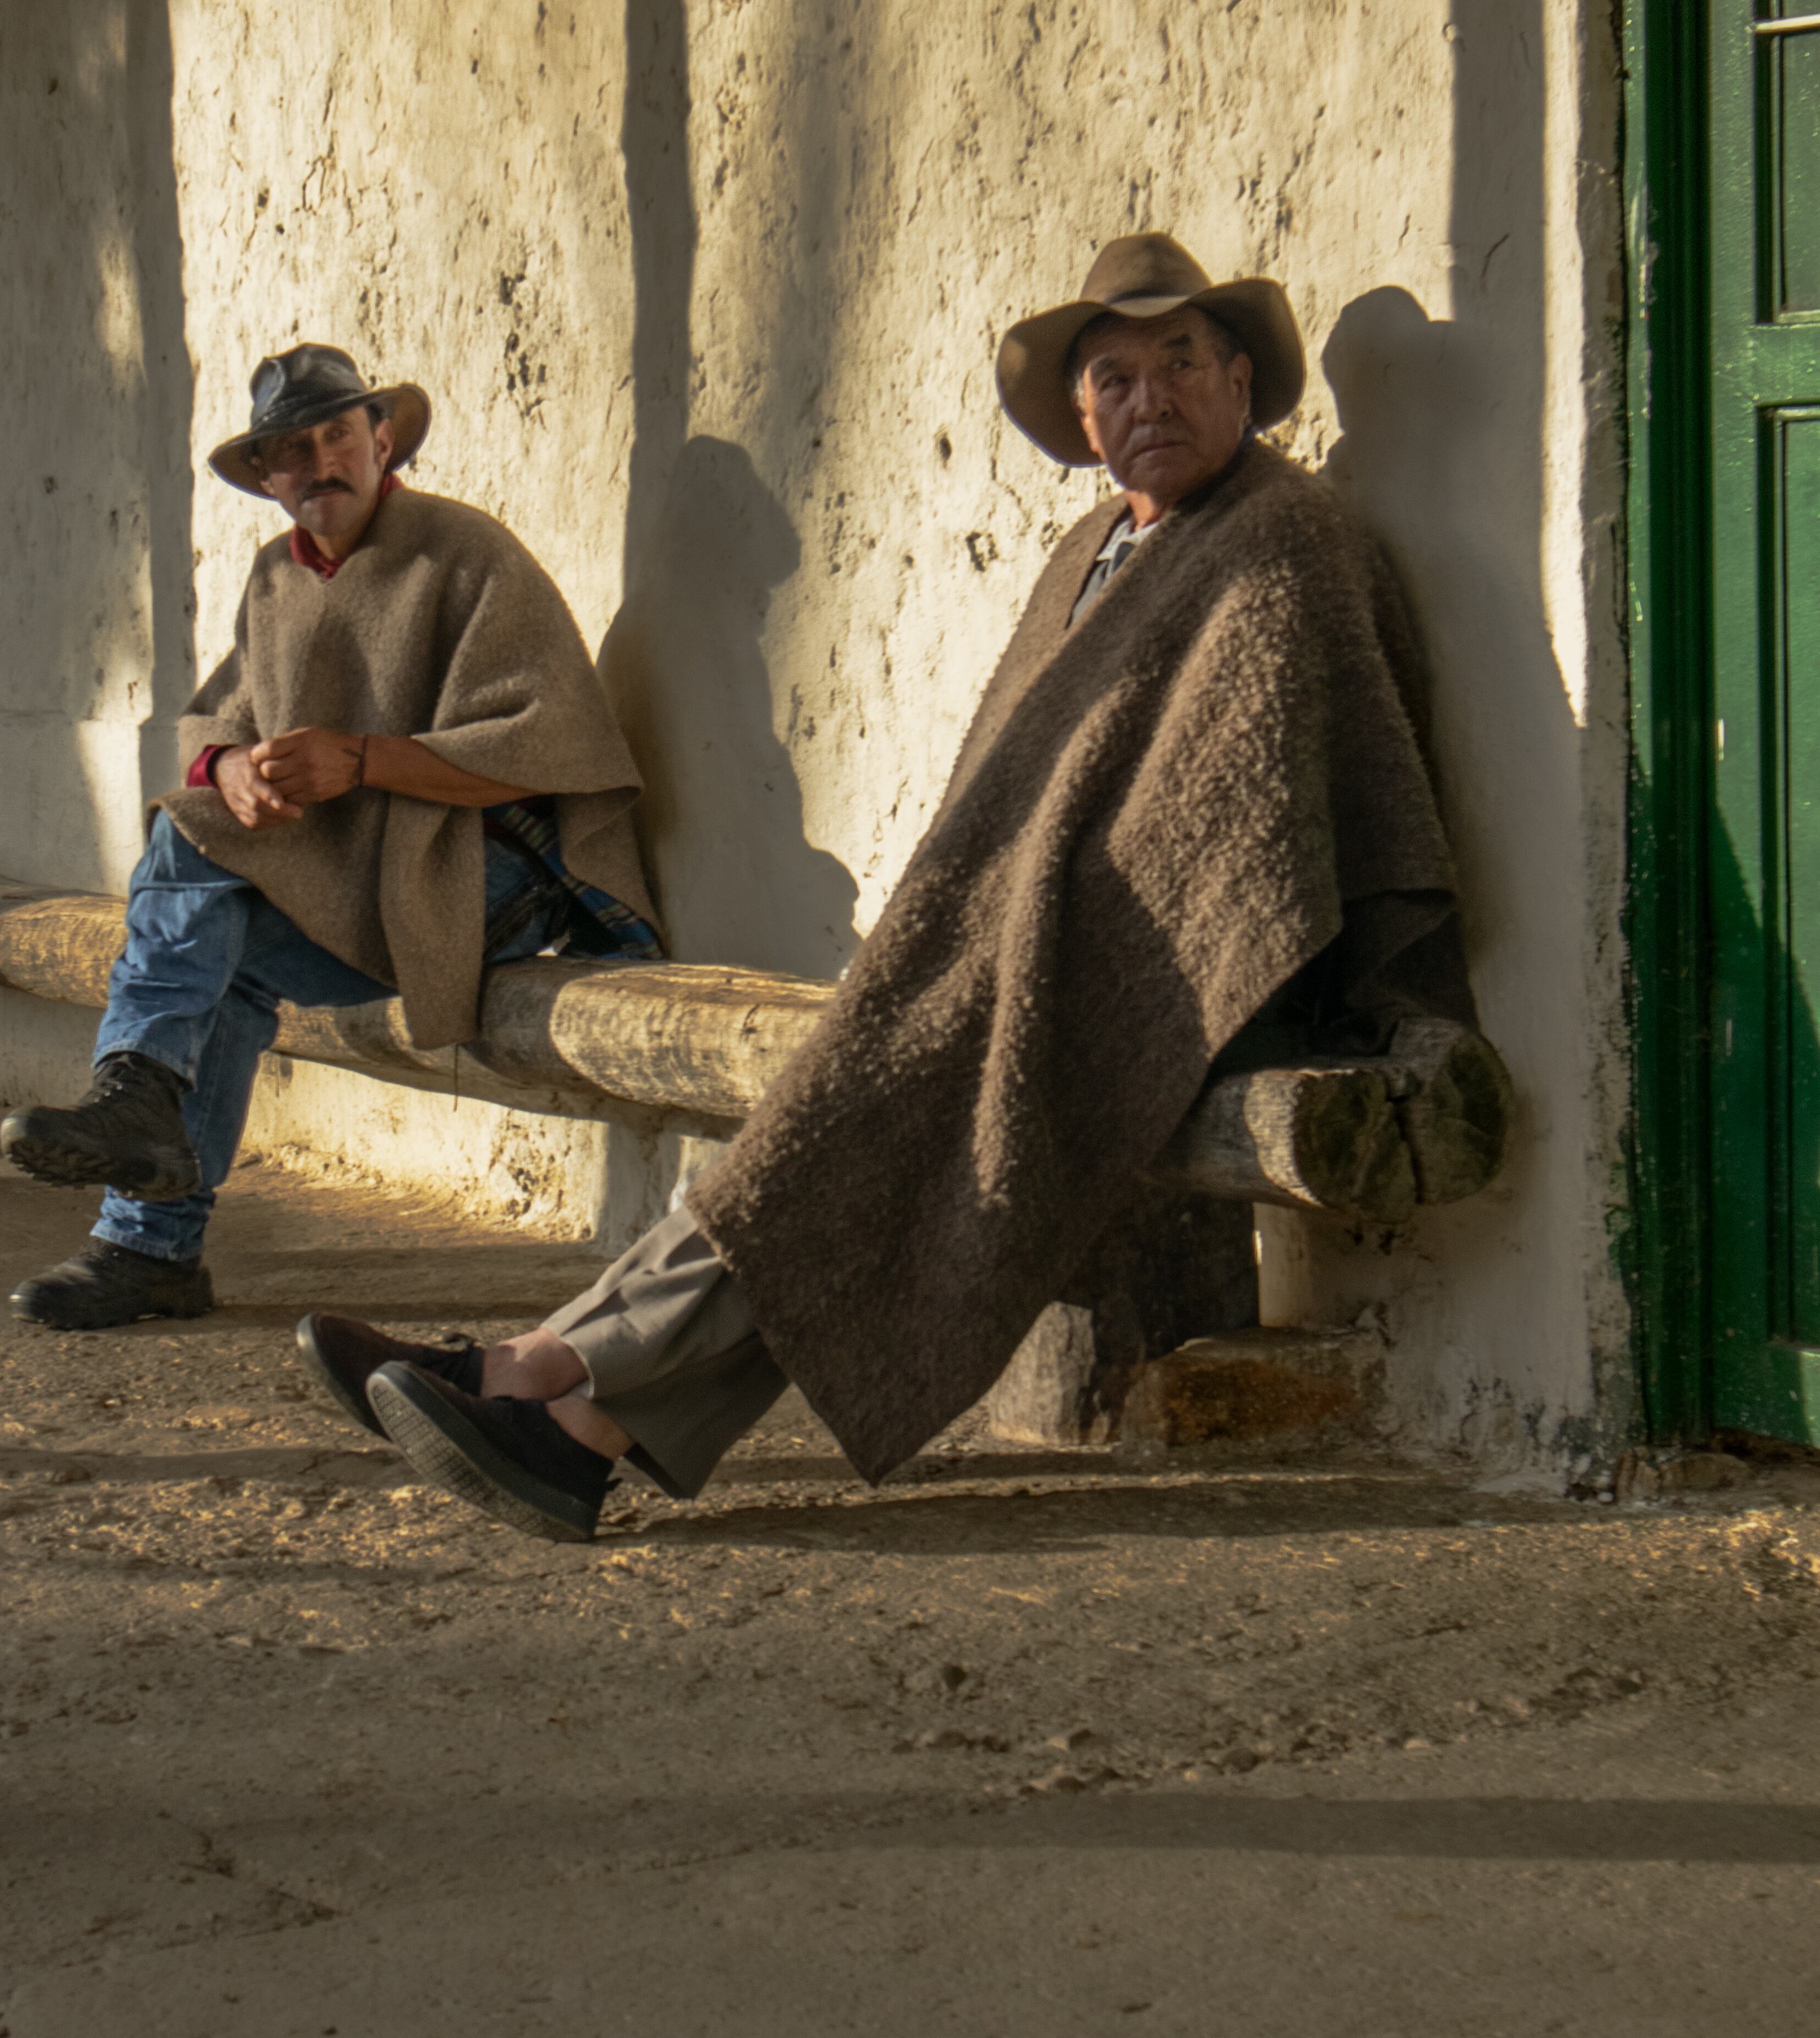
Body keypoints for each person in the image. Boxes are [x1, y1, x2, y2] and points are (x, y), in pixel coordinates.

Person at [324, 234, 1475, 1540]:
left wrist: (1031, 935)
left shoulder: (1281, 541)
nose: (1148, 398)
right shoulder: (1094, 545)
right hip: (1049, 955)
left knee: (867, 1098)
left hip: (1200, 975)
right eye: (1114, 377)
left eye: (1179, 364)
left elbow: (1259, 820)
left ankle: (551, 1378)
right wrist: (981, 925)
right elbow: (1021, 788)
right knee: (862, 1098)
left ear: (1239, 382)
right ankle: (574, 1409)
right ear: (1083, 415)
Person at [2, 342, 660, 1329]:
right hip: (362, 883)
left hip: (490, 881)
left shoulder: (465, 553)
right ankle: (149, 1247)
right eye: (290, 452)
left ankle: (137, 1102)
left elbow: (555, 747)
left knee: (189, 858)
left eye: (338, 435)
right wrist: (229, 768)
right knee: (208, 935)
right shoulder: (276, 577)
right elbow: (217, 719)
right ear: (266, 479)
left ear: (382, 440)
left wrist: (360, 763)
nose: (319, 463)